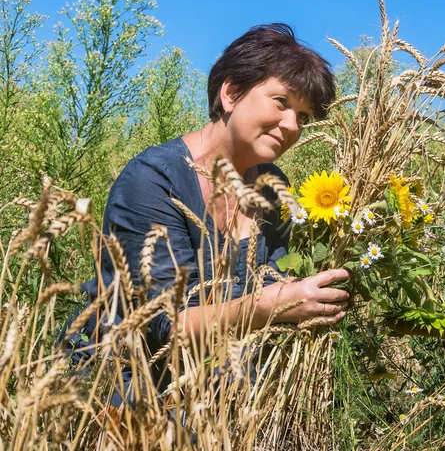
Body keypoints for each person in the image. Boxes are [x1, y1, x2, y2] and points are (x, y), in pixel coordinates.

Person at [64, 23, 350, 403]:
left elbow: (283, 278)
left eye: (304, 116)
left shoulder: (274, 188)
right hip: (133, 389)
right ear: (231, 93)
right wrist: (273, 304)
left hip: (223, 391)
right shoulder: (152, 181)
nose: (292, 125)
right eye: (281, 102)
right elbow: (168, 325)